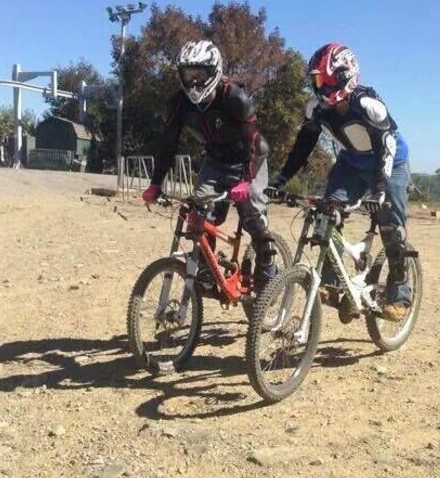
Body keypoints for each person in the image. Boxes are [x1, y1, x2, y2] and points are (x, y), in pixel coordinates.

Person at [266, 43, 412, 322]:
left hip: (390, 164)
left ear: (345, 76)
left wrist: (380, 189)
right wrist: (282, 179)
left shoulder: (369, 105)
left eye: (325, 79)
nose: (319, 86)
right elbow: (302, 147)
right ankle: (333, 283)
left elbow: (386, 147)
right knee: (325, 213)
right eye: (316, 80)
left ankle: (400, 293)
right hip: (352, 163)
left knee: (391, 226)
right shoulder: (317, 110)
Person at [140, 40, 278, 293]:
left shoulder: (234, 98)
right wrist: (156, 183)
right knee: (199, 214)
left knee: (252, 214)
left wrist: (246, 179)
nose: (193, 81)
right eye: (188, 74)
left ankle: (267, 263)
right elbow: (168, 143)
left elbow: (257, 144)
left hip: (250, 160)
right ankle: (206, 269)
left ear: (214, 72)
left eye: (200, 74)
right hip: (215, 161)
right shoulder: (178, 103)